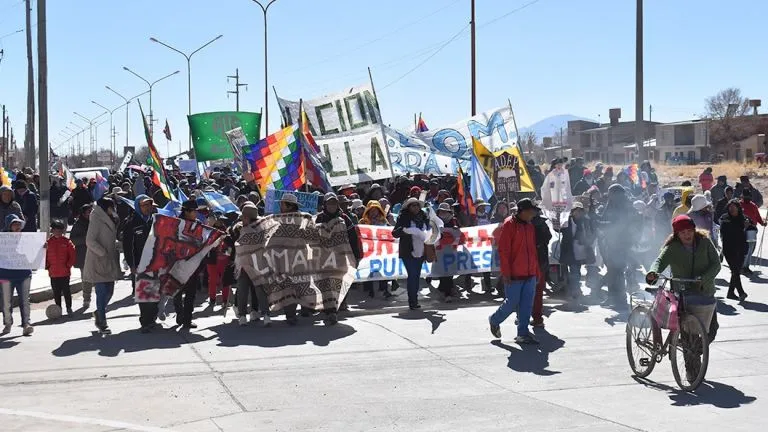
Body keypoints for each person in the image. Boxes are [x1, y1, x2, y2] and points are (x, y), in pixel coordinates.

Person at [646, 215, 720, 382]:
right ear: (677, 234)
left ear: (694, 230)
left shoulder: (705, 242)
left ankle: (692, 349)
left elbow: (716, 264)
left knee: (711, 330)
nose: (687, 235)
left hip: (705, 292)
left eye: (689, 231)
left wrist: (705, 278)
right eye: (682, 232)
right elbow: (659, 261)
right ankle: (692, 372)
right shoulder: (673, 247)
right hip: (683, 295)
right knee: (689, 335)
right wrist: (653, 272)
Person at [488, 198, 539, 344]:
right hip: (515, 274)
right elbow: (504, 251)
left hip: (530, 273)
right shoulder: (509, 225)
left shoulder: (530, 226)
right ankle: (494, 319)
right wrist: (506, 273)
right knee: (512, 303)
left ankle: (523, 333)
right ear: (523, 211)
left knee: (527, 304)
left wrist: (536, 271)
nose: (533, 214)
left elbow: (533, 250)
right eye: (531, 211)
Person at [83, 197, 122, 333]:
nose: (114, 209)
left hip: (109, 260)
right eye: (112, 207)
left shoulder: (110, 219)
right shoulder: (96, 219)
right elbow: (90, 240)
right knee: (101, 293)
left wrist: (117, 245)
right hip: (98, 261)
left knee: (110, 291)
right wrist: (102, 252)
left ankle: (99, 312)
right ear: (106, 208)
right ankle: (102, 322)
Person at [122, 194, 158, 333]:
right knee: (144, 294)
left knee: (154, 292)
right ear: (138, 206)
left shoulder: (154, 220)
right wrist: (132, 264)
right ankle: (145, 322)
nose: (147, 208)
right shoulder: (131, 223)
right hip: (139, 264)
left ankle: (152, 318)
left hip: (154, 262)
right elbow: (127, 246)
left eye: (149, 205)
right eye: (144, 205)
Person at [235, 203, 271, 327]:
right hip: (250, 265)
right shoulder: (241, 229)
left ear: (247, 218)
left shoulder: (246, 230)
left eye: (244, 218)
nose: (242, 220)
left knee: (251, 290)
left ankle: (252, 315)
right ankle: (252, 316)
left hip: (251, 264)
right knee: (248, 290)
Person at [392, 197, 428, 310]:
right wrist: (405, 230)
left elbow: (431, 230)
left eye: (417, 205)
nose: (416, 207)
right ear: (408, 207)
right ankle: (412, 301)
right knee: (412, 275)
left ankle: (414, 299)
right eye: (413, 205)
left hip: (421, 251)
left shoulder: (424, 217)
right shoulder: (403, 217)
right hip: (408, 252)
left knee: (416, 276)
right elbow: (395, 233)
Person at [0, 214, 34, 336]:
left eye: (19, 224)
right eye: (14, 224)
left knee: (25, 300)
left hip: (24, 274)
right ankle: (7, 324)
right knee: (6, 301)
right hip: (5, 275)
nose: (17, 226)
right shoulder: (2, 239)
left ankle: (26, 324)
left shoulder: (27, 238)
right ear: (9, 226)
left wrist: (42, 247)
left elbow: (34, 252)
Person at [174, 200, 204, 329]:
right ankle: (179, 313)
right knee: (177, 291)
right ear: (186, 211)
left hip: (193, 264)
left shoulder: (198, 224)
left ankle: (187, 319)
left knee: (191, 293)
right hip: (177, 263)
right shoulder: (176, 223)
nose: (196, 213)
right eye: (193, 211)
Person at [559, 202, 595, 301]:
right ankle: (575, 290)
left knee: (576, 270)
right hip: (569, 249)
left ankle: (575, 289)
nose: (578, 213)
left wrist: (588, 241)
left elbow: (592, 233)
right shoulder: (566, 221)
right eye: (577, 211)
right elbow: (559, 229)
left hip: (582, 249)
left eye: (580, 211)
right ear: (573, 211)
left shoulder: (586, 221)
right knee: (574, 270)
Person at [359, 200, 393, 299]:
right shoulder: (363, 222)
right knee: (369, 269)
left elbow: (390, 232)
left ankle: (384, 289)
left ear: (379, 210)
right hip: (368, 250)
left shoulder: (383, 221)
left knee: (382, 269)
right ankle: (370, 289)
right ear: (368, 211)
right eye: (371, 210)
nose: (374, 212)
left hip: (380, 250)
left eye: (376, 210)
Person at [719, 200, 749, 301]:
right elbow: (725, 232)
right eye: (730, 207)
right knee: (735, 270)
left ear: (738, 208)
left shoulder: (742, 217)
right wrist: (742, 227)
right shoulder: (725, 218)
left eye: (733, 207)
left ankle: (730, 293)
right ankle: (741, 292)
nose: (731, 209)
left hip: (741, 248)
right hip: (729, 249)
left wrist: (747, 225)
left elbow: (751, 225)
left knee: (736, 271)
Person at [46, 219, 76, 316]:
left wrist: (68, 265)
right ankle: (58, 309)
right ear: (52, 230)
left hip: (64, 272)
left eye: (60, 231)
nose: (58, 232)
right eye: (56, 230)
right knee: (56, 292)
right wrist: (47, 265)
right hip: (53, 272)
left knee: (66, 291)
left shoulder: (67, 242)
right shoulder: (48, 243)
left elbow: (72, 255)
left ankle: (69, 307)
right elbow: (44, 255)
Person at [70, 204, 92, 308]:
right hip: (84, 255)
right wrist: (87, 239)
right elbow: (73, 240)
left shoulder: (97, 222)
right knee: (86, 278)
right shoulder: (78, 225)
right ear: (83, 214)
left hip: (97, 254)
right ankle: (86, 298)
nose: (91, 214)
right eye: (89, 212)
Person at [740, 190, 766, 275]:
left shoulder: (753, 205)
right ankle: (742, 266)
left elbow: (757, 216)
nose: (747, 198)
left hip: (752, 229)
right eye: (745, 196)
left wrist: (762, 223)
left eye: (748, 196)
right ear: (742, 196)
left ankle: (746, 266)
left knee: (750, 249)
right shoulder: (739, 205)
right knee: (743, 249)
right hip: (741, 230)